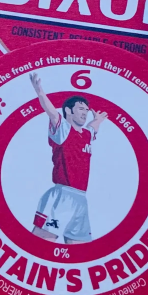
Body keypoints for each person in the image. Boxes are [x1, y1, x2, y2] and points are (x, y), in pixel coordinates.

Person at [29, 71, 109, 244]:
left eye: (86, 110)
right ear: (68, 110)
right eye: (81, 109)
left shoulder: (87, 134)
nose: (85, 113)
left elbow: (93, 126)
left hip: (81, 199)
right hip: (62, 196)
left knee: (80, 251)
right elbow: (52, 113)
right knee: (40, 245)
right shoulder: (62, 129)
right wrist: (40, 92)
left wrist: (98, 120)